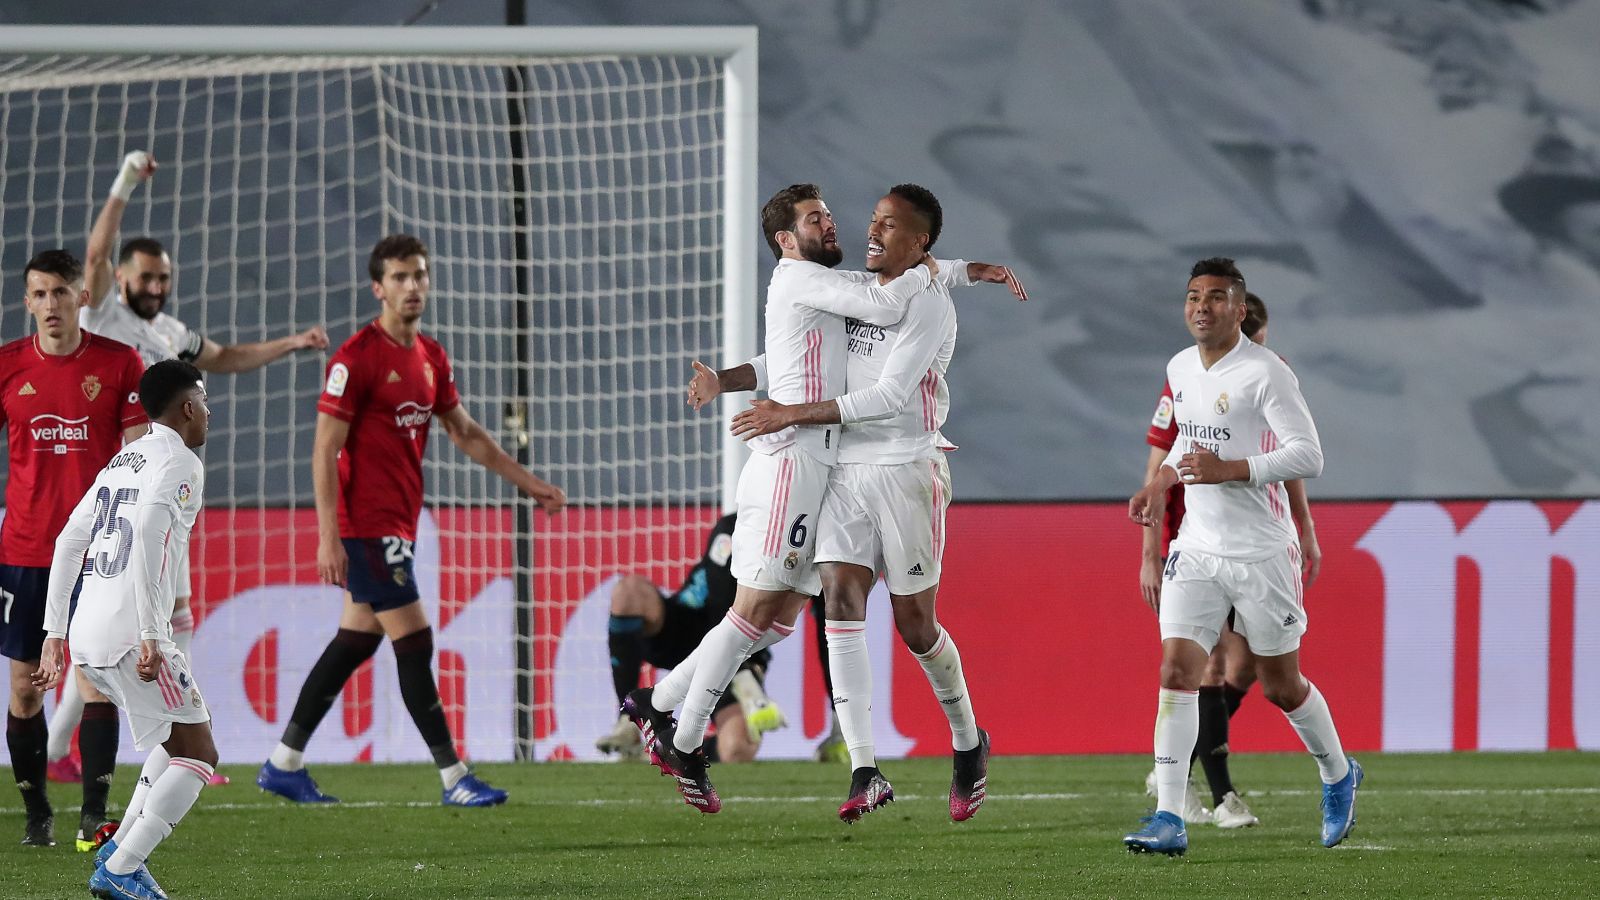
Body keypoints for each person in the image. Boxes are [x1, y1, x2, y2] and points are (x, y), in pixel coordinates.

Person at [621, 183, 943, 814]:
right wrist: (934, 272)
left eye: (829, 212)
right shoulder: (801, 278)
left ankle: (654, 703)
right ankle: (683, 739)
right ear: (786, 240)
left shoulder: (813, 290)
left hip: (819, 464)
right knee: (749, 615)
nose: (832, 223)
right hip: (789, 464)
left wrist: (725, 378)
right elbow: (879, 304)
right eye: (815, 218)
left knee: (778, 620)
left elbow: (783, 359)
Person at [728, 184, 1025, 824]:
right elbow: (795, 350)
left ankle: (970, 742)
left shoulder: (930, 308)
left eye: (890, 226)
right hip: (846, 467)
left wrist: (790, 412)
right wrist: (728, 378)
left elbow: (889, 396)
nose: (873, 231)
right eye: (873, 220)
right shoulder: (866, 289)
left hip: (908, 468)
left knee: (916, 628)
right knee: (839, 599)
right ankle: (864, 767)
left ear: (917, 241)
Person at [48, 150, 330, 789]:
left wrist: (289, 344)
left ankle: (123, 741)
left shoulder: (170, 333)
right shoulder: (102, 316)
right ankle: (160, 740)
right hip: (121, 483)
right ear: (121, 278)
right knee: (139, 615)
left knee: (169, 612)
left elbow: (225, 356)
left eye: (163, 278)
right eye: (146, 276)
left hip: (166, 484)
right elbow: (92, 256)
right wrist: (123, 179)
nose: (155, 286)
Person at [256, 234, 565, 806]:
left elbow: (465, 432)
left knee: (354, 641)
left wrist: (530, 484)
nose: (413, 286)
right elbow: (325, 450)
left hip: (399, 521)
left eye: (419, 275)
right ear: (379, 288)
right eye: (400, 277)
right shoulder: (356, 359)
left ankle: (283, 762)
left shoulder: (429, 356)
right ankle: (454, 776)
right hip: (365, 525)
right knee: (416, 640)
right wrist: (329, 537)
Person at [1123, 258, 1359, 856]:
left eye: (1217, 297)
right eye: (1193, 296)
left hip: (1260, 554)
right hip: (1198, 548)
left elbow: (1309, 455)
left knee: (1281, 686)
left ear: (1239, 308)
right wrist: (1163, 481)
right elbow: (1187, 436)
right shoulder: (1180, 367)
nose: (1202, 306)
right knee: (1177, 671)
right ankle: (1169, 817)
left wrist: (1234, 470)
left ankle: (1337, 773)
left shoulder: (1266, 373)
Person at [36, 359, 216, 900]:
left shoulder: (122, 461)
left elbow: (69, 541)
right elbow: (151, 529)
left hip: (90, 635)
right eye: (205, 401)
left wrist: (54, 633)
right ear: (187, 408)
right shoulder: (181, 462)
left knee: (173, 733)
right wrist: (152, 632)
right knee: (200, 753)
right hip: (131, 632)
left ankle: (120, 852)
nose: (209, 413)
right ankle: (120, 869)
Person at [0, 249, 147, 849]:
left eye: (62, 292)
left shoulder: (119, 363)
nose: (51, 304)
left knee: (93, 682)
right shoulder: (8, 366)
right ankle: (37, 813)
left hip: (96, 552)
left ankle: (93, 814)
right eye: (40, 294)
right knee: (26, 689)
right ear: (27, 300)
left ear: (83, 296)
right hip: (26, 550)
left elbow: (139, 458)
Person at [595, 513, 786, 764]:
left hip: (739, 648)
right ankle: (628, 723)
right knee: (628, 592)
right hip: (688, 627)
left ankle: (669, 750)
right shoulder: (737, 525)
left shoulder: (800, 540)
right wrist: (741, 668)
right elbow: (720, 596)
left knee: (738, 748)